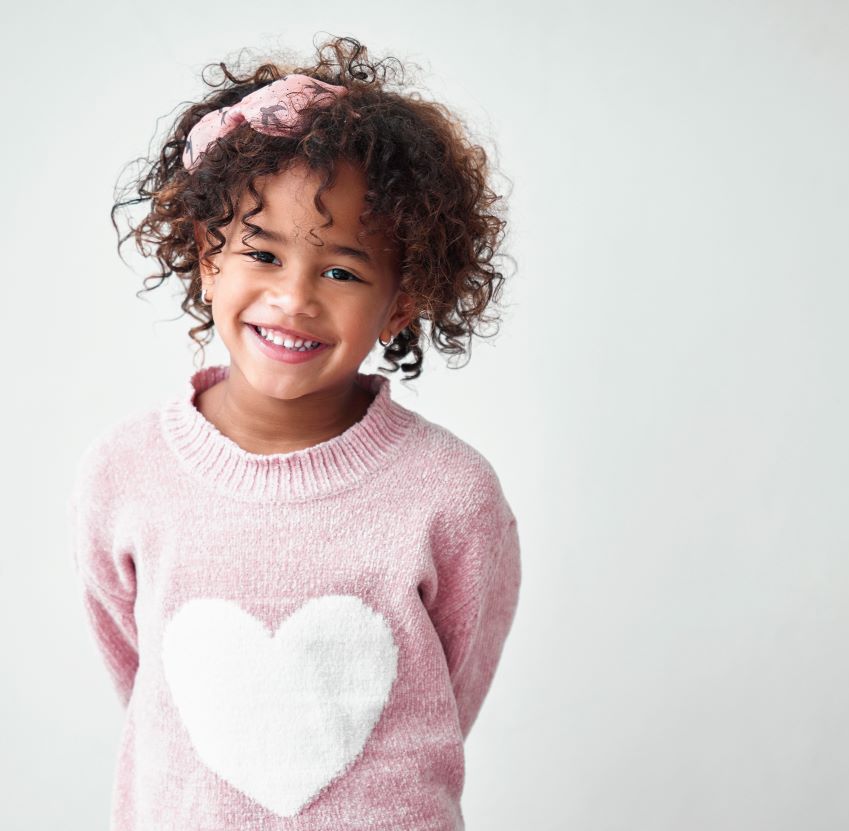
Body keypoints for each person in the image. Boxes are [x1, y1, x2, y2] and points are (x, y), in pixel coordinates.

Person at [68, 34, 521, 831]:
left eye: (342, 270)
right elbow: (140, 677)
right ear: (208, 256)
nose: (295, 297)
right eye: (261, 253)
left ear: (404, 298)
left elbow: (453, 691)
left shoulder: (451, 493)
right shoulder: (124, 472)